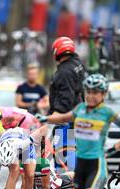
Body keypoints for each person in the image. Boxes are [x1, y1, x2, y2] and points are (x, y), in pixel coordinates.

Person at [48, 36, 86, 172]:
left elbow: (66, 96)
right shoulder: (77, 64)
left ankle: (66, 183)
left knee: (63, 151)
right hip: (78, 113)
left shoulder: (64, 72)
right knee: (72, 150)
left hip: (66, 118)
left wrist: (56, 114)